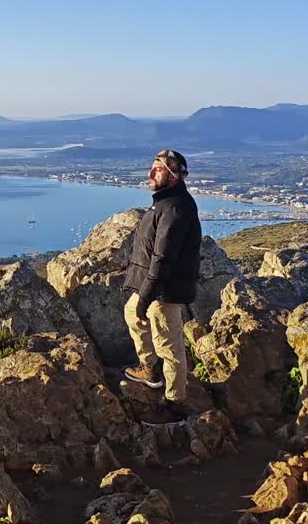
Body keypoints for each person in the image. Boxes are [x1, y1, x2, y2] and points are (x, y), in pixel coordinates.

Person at [122, 149, 202, 420]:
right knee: (132, 314)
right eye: (152, 167)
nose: (150, 173)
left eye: (157, 170)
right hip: (154, 285)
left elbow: (163, 258)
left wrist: (147, 295)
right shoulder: (165, 203)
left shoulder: (176, 207)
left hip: (164, 291)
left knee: (170, 346)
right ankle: (149, 370)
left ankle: (175, 403)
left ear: (173, 175)